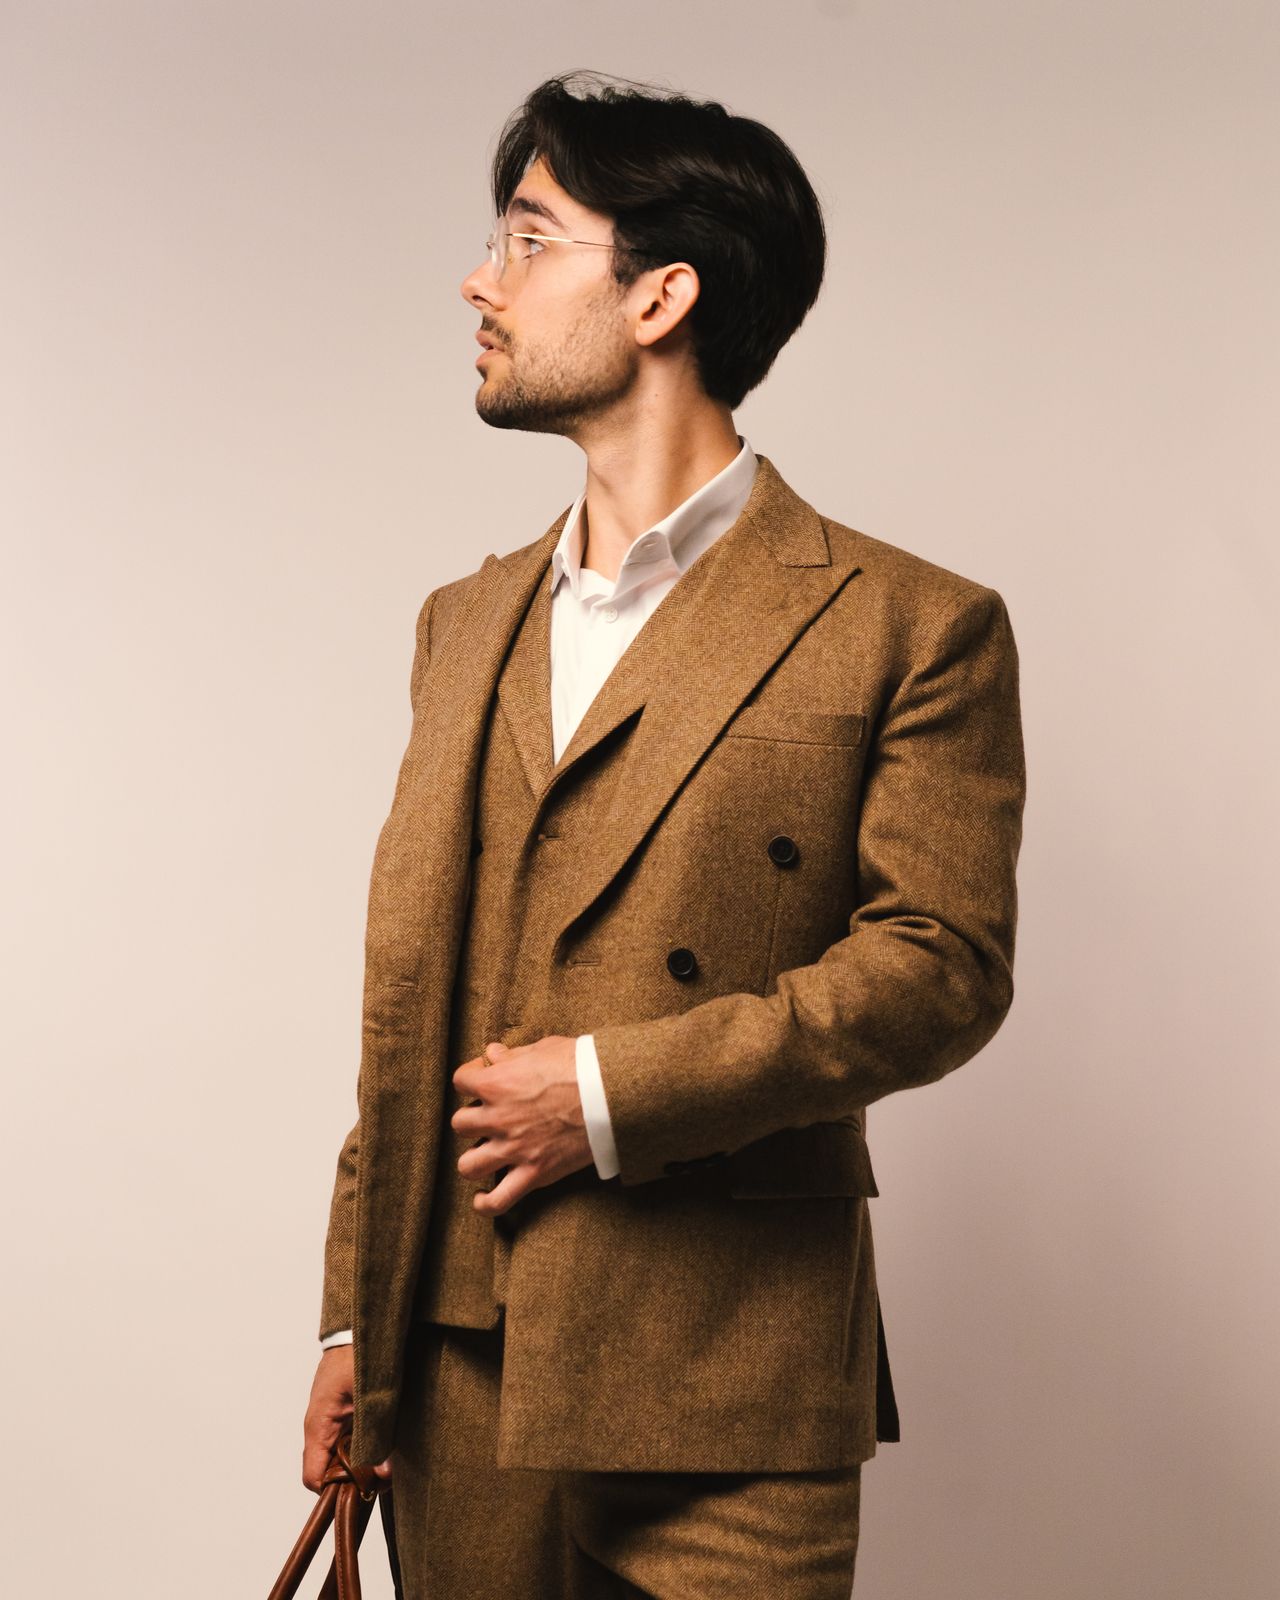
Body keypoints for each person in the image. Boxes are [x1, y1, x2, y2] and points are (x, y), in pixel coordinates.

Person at [300, 69, 1025, 1598]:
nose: (479, 282)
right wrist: (356, 1314)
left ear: (660, 295)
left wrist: (609, 1095)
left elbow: (940, 966)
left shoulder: (910, 624)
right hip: (458, 1362)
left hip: (733, 1369)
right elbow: (411, 997)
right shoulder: (460, 622)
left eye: (527, 239)